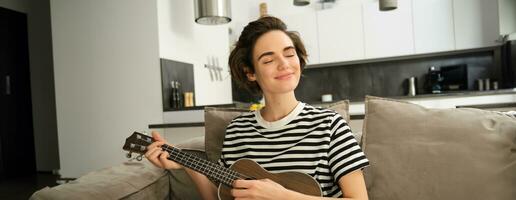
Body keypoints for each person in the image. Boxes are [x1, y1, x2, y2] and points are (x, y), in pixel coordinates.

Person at [146, 16, 369, 200]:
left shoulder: (330, 126)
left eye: (289, 54)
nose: (284, 64)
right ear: (250, 72)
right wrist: (188, 164)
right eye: (268, 59)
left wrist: (281, 196)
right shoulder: (237, 131)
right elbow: (221, 197)